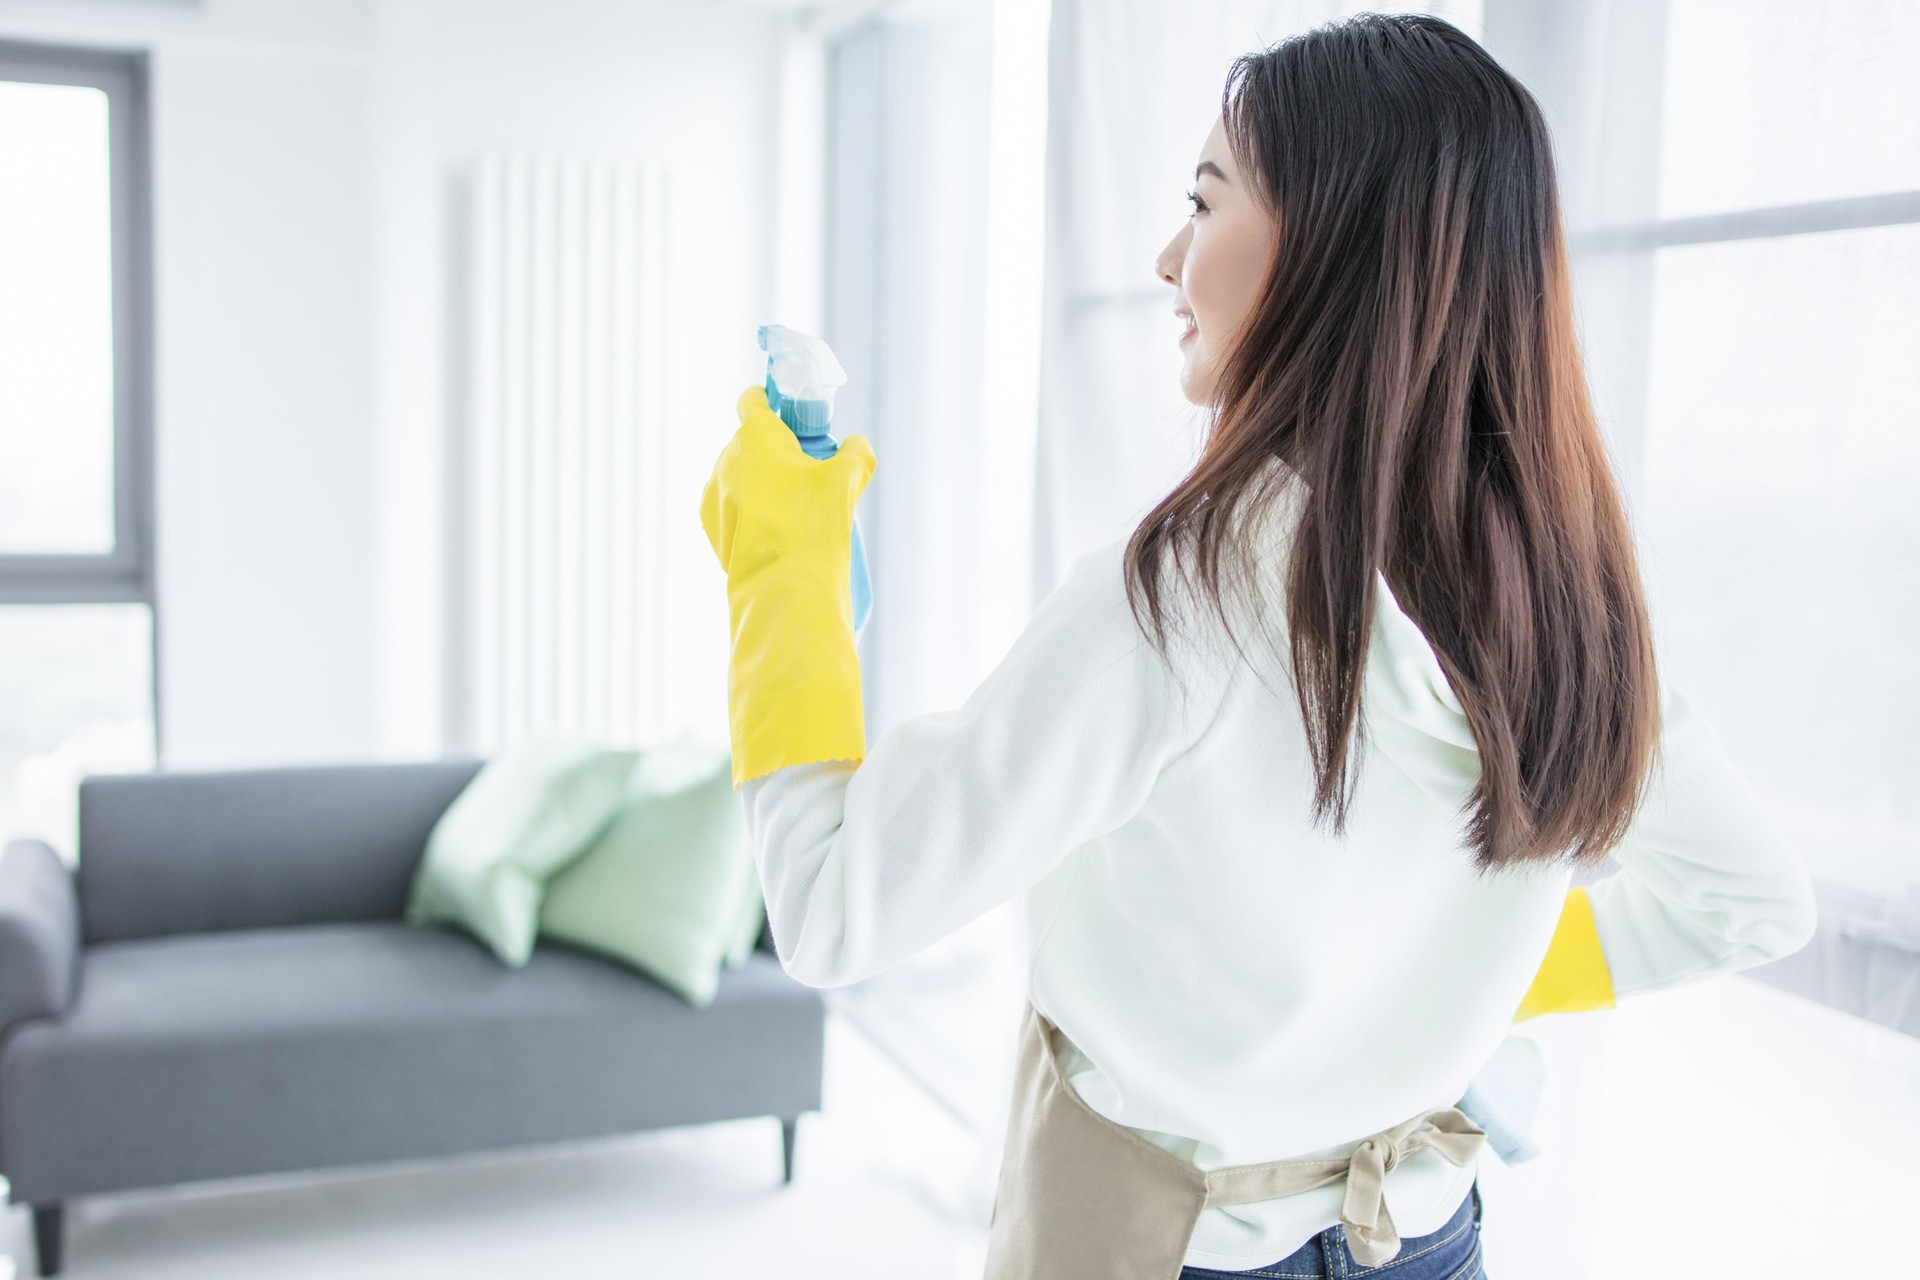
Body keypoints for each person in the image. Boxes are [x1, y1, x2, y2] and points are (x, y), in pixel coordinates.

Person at [698, 12, 1817, 1279]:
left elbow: (838, 906)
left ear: (1331, 256)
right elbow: (1757, 902)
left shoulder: (1179, 605)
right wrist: (1421, 1007)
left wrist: (779, 566)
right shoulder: (1574, 605)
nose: (1170, 254)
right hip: (1429, 1238)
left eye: (1206, 202)